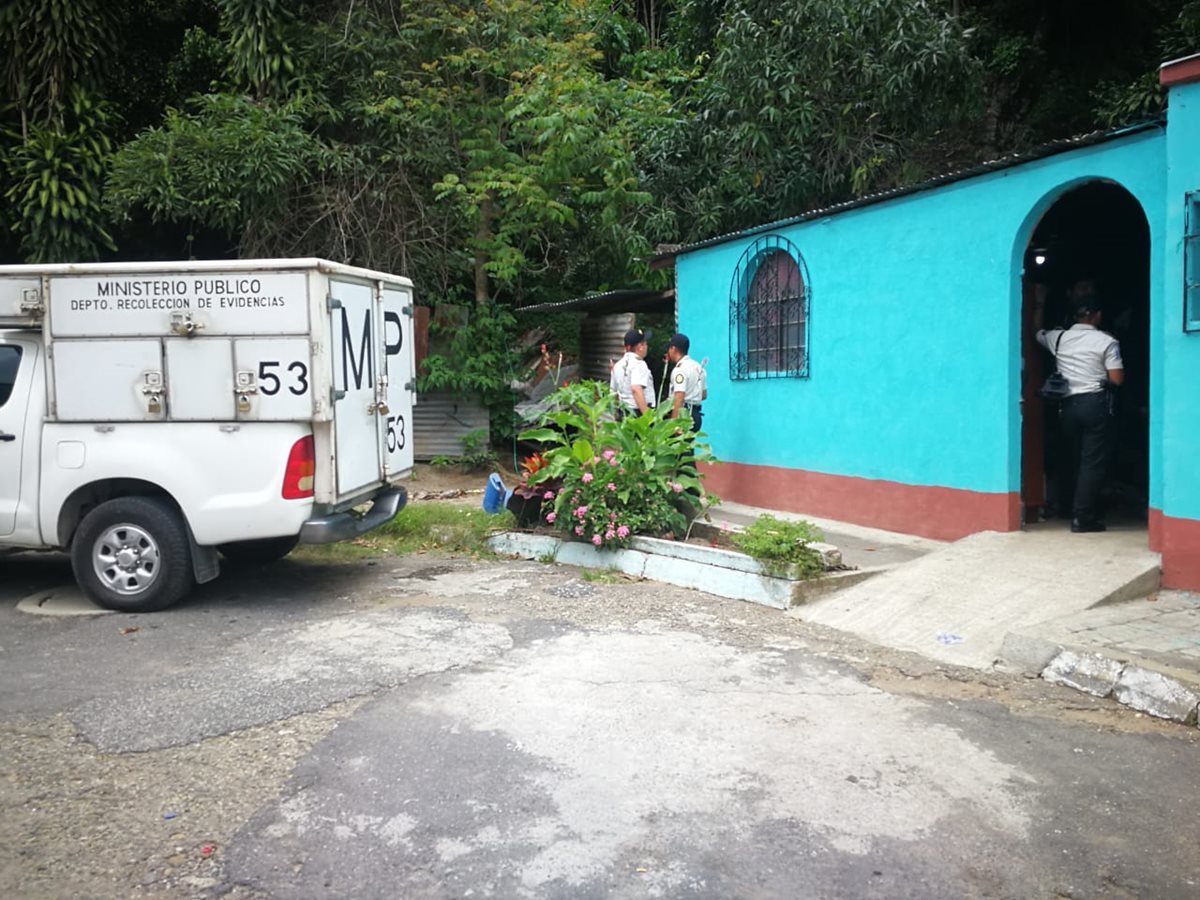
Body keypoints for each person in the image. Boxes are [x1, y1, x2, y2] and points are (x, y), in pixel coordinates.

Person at [1035, 281, 1124, 533]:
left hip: (1067, 407)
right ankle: (1083, 517)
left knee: (1071, 459)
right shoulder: (1106, 341)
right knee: (1092, 463)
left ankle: (1064, 507)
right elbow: (1116, 379)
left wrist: (1039, 303)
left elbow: (1036, 332)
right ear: (1098, 316)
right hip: (1095, 404)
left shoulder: (1059, 337)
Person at [665, 333, 706, 432]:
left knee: (677, 446)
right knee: (688, 446)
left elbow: (679, 396)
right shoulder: (698, 367)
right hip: (696, 415)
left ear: (673, 349)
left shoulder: (680, 370)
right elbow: (704, 395)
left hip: (683, 415)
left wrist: (674, 424)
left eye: (669, 349)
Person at [610, 328, 655, 418]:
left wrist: (616, 413)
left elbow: (613, 393)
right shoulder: (639, 364)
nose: (647, 346)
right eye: (645, 343)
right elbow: (636, 389)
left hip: (624, 412)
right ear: (640, 347)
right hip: (638, 413)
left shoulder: (618, 365)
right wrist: (647, 417)